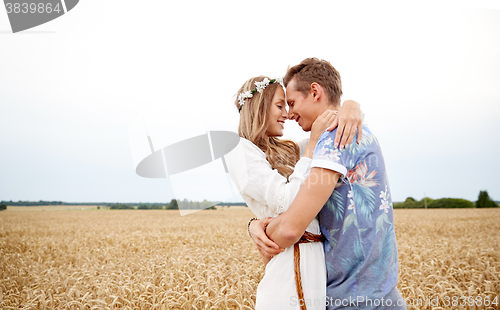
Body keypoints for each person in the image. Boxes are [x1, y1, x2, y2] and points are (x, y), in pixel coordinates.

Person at [250, 58, 406, 310]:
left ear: (315, 92)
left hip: (352, 300)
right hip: (384, 294)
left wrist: (259, 229)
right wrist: (351, 105)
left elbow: (290, 229)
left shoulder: (334, 141)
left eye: (291, 103)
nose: (289, 114)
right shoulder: (362, 132)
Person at [225, 75, 363, 310]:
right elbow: (287, 203)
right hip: (288, 270)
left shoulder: (289, 149)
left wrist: (351, 105)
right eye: (280, 106)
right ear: (258, 107)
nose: (287, 114)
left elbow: (330, 131)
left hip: (316, 268)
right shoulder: (239, 150)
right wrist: (310, 147)